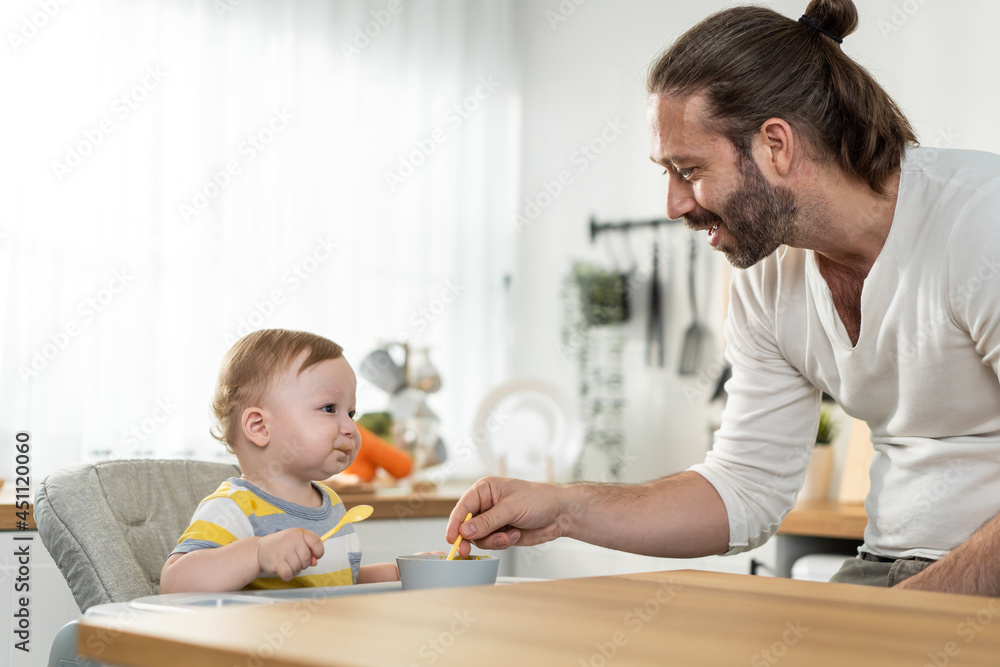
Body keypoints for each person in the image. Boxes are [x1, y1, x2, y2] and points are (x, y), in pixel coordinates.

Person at [447, 0, 1000, 597]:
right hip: (887, 564)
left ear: (776, 145)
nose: (675, 205)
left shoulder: (979, 222)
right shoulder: (769, 277)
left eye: (689, 169)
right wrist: (562, 508)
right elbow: (745, 485)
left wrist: (902, 618)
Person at [161, 329, 399, 592]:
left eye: (351, 412)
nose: (351, 428)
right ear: (260, 427)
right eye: (329, 408)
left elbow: (333, 586)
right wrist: (257, 554)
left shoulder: (330, 504)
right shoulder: (234, 508)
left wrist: (398, 573)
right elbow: (175, 585)